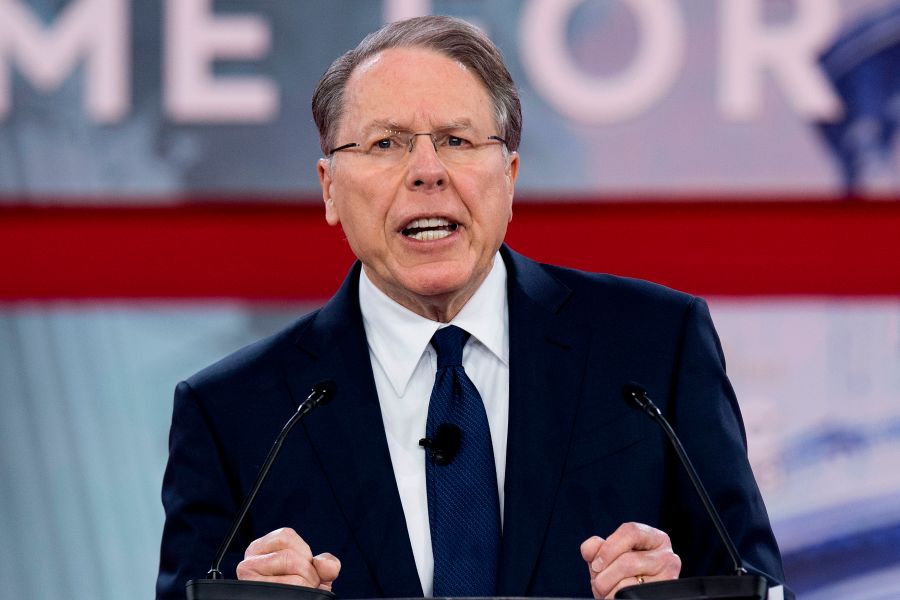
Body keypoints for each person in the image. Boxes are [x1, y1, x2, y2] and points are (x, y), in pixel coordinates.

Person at [157, 15, 789, 600]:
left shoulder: (655, 349)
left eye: (458, 140)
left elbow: (758, 583)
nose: (428, 172)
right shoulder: (235, 414)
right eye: (385, 144)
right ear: (329, 189)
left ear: (509, 177)